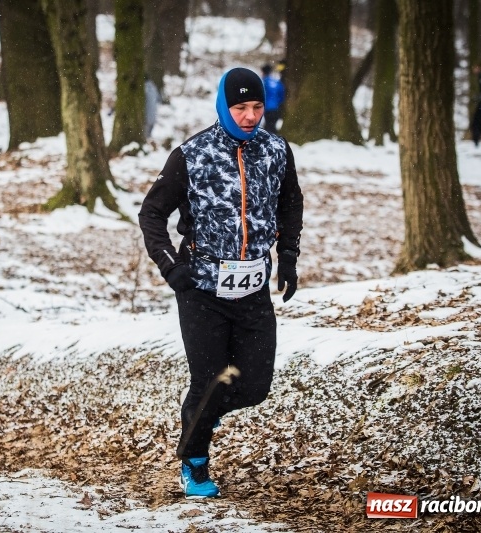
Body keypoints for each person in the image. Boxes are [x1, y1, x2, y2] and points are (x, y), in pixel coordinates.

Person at [138, 67, 303, 498]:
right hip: (202, 290)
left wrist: (287, 259)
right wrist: (171, 267)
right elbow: (152, 214)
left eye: (256, 107)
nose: (250, 116)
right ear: (223, 106)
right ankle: (194, 462)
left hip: (252, 288)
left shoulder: (276, 151)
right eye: (240, 107)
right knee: (209, 379)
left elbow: (291, 204)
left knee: (254, 385)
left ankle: (201, 416)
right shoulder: (191, 154)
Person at [261, 64, 285, 134]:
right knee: (272, 125)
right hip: (276, 108)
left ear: (263, 72)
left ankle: (269, 139)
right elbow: (281, 95)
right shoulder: (277, 82)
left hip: (267, 108)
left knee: (268, 126)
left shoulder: (263, 82)